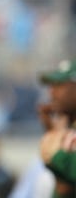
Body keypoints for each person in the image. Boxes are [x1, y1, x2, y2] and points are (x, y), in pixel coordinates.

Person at [38, 58, 76, 198]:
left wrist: (57, 156)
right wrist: (50, 129)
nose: (51, 93)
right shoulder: (68, 127)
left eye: (58, 85)